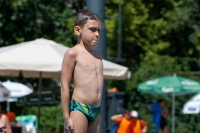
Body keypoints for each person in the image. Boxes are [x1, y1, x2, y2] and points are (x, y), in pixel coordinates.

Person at [61, 9, 103, 133]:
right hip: (79, 108)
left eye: (98, 30)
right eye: (92, 29)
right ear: (78, 30)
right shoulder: (72, 53)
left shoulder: (98, 55)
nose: (97, 34)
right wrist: (66, 116)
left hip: (96, 109)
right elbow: (64, 85)